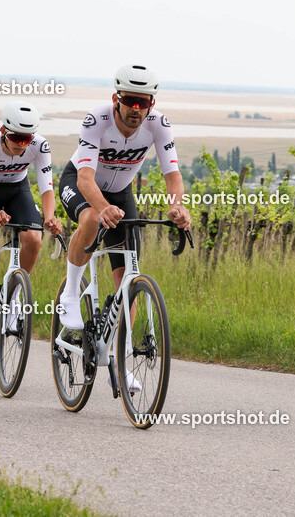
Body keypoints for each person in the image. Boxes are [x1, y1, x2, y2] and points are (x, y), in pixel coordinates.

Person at [58, 65, 191, 392]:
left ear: (151, 104)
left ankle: (118, 362)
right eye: (130, 101)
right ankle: (71, 292)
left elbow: (172, 176)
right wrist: (102, 209)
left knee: (128, 280)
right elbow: (87, 179)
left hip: (121, 194)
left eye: (143, 102)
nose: (136, 109)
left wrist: (177, 205)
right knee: (89, 218)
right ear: (116, 98)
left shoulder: (159, 125)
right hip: (80, 183)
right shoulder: (97, 120)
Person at [0, 102, 62, 360]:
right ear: (3, 131)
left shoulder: (40, 146)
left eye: (26, 138)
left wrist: (50, 217)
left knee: (34, 238)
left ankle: (15, 296)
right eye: (16, 138)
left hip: (18, 191)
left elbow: (47, 189)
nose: (21, 144)